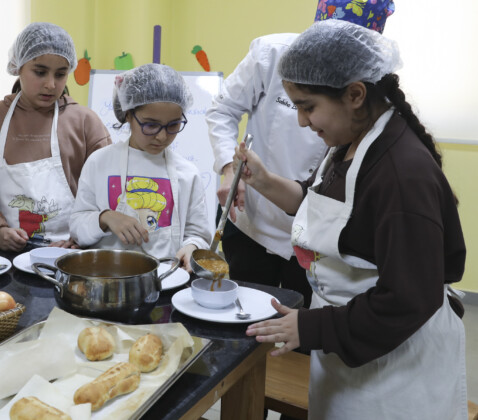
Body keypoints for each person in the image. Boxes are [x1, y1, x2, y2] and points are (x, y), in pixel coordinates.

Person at [241, 20, 467, 419]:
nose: (302, 121)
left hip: (394, 372)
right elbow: (319, 205)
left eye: (308, 107)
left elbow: (408, 298)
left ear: (355, 95)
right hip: (352, 350)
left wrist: (310, 328)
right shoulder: (350, 144)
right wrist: (262, 180)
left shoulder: (401, 175)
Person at [205, 0, 395, 308]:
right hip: (253, 219)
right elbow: (222, 109)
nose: (303, 121)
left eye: (308, 108)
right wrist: (230, 168)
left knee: (300, 322)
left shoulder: (374, 94)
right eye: (300, 106)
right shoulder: (274, 54)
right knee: (244, 313)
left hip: (316, 235)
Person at [0, 22, 111, 252]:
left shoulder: (85, 122)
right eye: (40, 72)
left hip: (71, 253)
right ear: (18, 67)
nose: (50, 84)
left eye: (61, 74)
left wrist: (81, 236)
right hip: (6, 253)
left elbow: (104, 193)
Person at [70, 64, 212, 271]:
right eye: (151, 125)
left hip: (166, 277)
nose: (161, 136)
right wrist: (106, 217)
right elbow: (77, 228)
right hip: (106, 275)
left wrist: (192, 247)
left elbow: (198, 234)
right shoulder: (99, 162)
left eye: (173, 125)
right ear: (128, 114)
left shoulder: (188, 173)